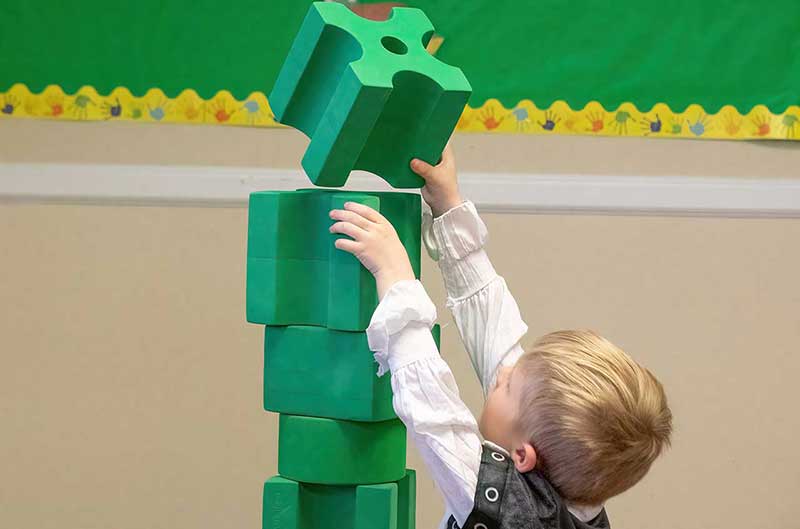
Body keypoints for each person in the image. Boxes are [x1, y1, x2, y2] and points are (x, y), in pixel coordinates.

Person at [329, 145, 672, 529]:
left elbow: (434, 413)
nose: (503, 373)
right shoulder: (569, 486)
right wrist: (448, 207)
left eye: (507, 388)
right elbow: (495, 334)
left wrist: (394, 275)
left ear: (523, 456)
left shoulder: (510, 511)